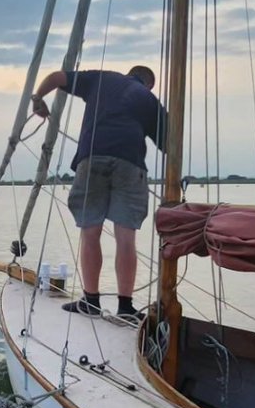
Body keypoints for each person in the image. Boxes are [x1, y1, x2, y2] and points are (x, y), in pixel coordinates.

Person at [31, 64, 168, 321]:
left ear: (129, 73)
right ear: (149, 84)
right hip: (130, 163)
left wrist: (37, 99)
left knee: (90, 231)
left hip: (92, 157)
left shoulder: (102, 78)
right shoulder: (148, 99)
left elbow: (56, 77)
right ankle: (125, 308)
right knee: (126, 238)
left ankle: (91, 302)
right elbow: (171, 144)